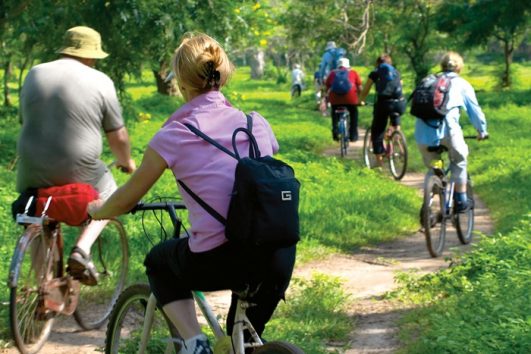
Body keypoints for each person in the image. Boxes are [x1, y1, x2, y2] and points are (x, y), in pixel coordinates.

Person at [88, 32, 296, 353]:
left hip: (220, 258)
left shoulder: (174, 135)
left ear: (181, 82)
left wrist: (97, 211)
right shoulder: (257, 123)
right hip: (278, 256)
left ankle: (194, 343)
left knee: (159, 261)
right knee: (242, 339)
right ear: (223, 74)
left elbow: (128, 196)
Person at [16, 26, 136, 285]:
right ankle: (82, 250)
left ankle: (43, 289)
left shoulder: (34, 73)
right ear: (91, 55)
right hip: (77, 167)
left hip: (29, 168)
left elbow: (24, 119)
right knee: (112, 193)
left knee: (37, 217)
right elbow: (118, 137)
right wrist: (127, 162)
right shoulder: (100, 80)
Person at [414, 51, 488, 212]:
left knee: (433, 166)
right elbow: (474, 111)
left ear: (442, 65)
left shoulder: (427, 81)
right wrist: (482, 130)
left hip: (423, 133)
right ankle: (461, 200)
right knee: (459, 160)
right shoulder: (462, 84)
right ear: (459, 68)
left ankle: (427, 205)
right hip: (448, 131)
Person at [359, 54, 406, 166]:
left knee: (377, 131)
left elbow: (366, 89)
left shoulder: (375, 73)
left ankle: (379, 162)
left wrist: (360, 100)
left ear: (377, 63)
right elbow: (401, 85)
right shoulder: (396, 72)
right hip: (400, 103)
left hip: (384, 104)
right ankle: (397, 139)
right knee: (394, 122)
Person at [325, 57, 362, 142]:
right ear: (348, 65)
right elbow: (360, 87)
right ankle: (353, 135)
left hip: (335, 100)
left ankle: (335, 132)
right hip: (351, 99)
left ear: (338, 65)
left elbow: (326, 87)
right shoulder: (353, 72)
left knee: (334, 113)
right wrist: (360, 99)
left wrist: (326, 97)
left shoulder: (332, 73)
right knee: (354, 113)